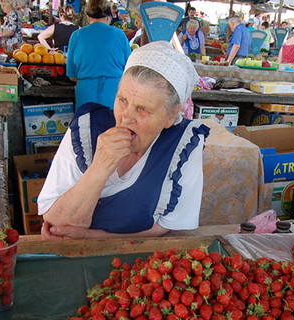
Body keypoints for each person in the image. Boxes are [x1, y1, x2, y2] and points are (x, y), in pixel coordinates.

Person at [38, 41, 210, 240]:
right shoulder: (87, 129)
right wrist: (101, 165)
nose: (126, 117)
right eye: (122, 100)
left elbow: (166, 224)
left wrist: (93, 237)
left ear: (170, 116)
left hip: (135, 257)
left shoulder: (183, 144)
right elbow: (57, 222)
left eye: (143, 109)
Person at [66, 0, 130, 110]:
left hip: (86, 94)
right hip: (114, 94)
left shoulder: (76, 36)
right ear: (108, 17)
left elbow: (72, 75)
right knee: (113, 126)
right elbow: (129, 69)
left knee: (87, 125)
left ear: (88, 17)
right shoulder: (120, 35)